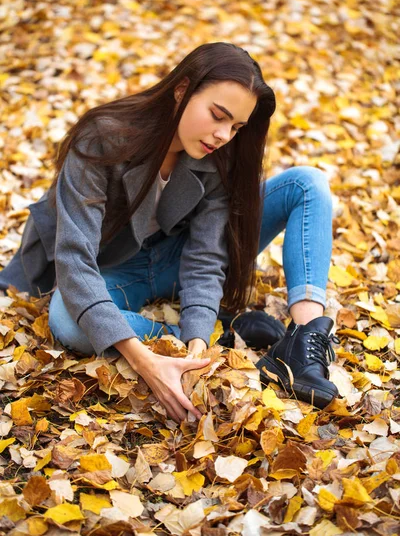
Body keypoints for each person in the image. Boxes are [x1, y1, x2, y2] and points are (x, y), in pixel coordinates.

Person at [0, 42, 338, 421]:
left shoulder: (218, 153)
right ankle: (220, 334)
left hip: (172, 259)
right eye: (217, 115)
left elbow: (206, 255)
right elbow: (75, 259)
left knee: (307, 183)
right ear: (182, 90)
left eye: (236, 126)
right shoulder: (102, 138)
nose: (224, 135)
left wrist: (197, 335)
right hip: (111, 268)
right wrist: (155, 356)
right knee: (66, 319)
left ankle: (302, 341)